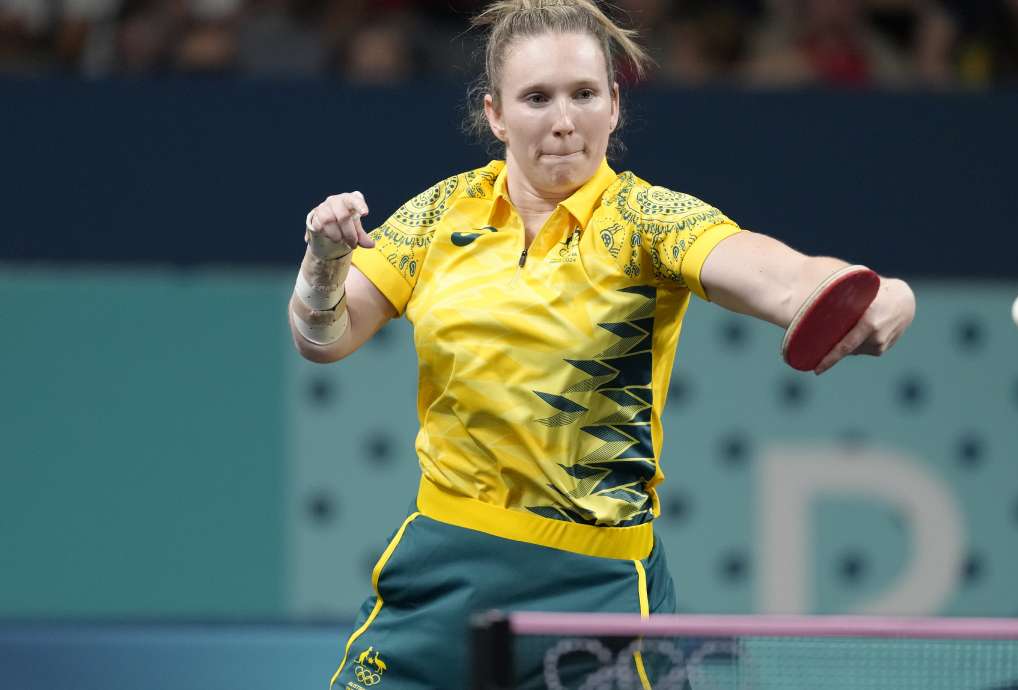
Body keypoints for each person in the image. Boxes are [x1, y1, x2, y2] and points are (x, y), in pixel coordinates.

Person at [288, 1, 916, 688]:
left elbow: (779, 276)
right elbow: (324, 337)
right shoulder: (439, 216)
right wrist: (323, 261)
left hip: (597, 593)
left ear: (615, 105)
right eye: (537, 98)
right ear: (497, 114)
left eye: (584, 94)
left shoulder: (649, 221)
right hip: (441, 575)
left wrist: (878, 292)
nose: (563, 120)